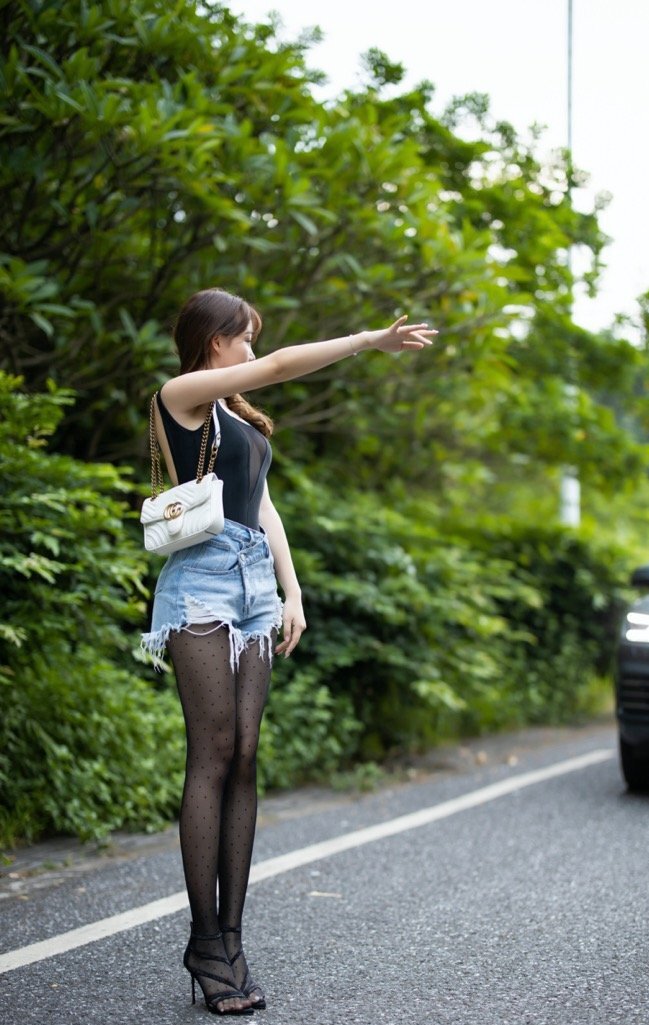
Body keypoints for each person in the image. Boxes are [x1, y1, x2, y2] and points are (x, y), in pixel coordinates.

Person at [141, 287, 436, 1015]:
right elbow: (273, 368)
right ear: (216, 340)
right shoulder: (181, 394)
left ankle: (232, 938)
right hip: (202, 586)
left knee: (245, 753)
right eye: (243, 336)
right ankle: (204, 940)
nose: (250, 347)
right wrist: (367, 339)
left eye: (252, 339)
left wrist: (292, 589)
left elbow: (262, 502)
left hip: (252, 588)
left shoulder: (235, 418)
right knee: (210, 751)